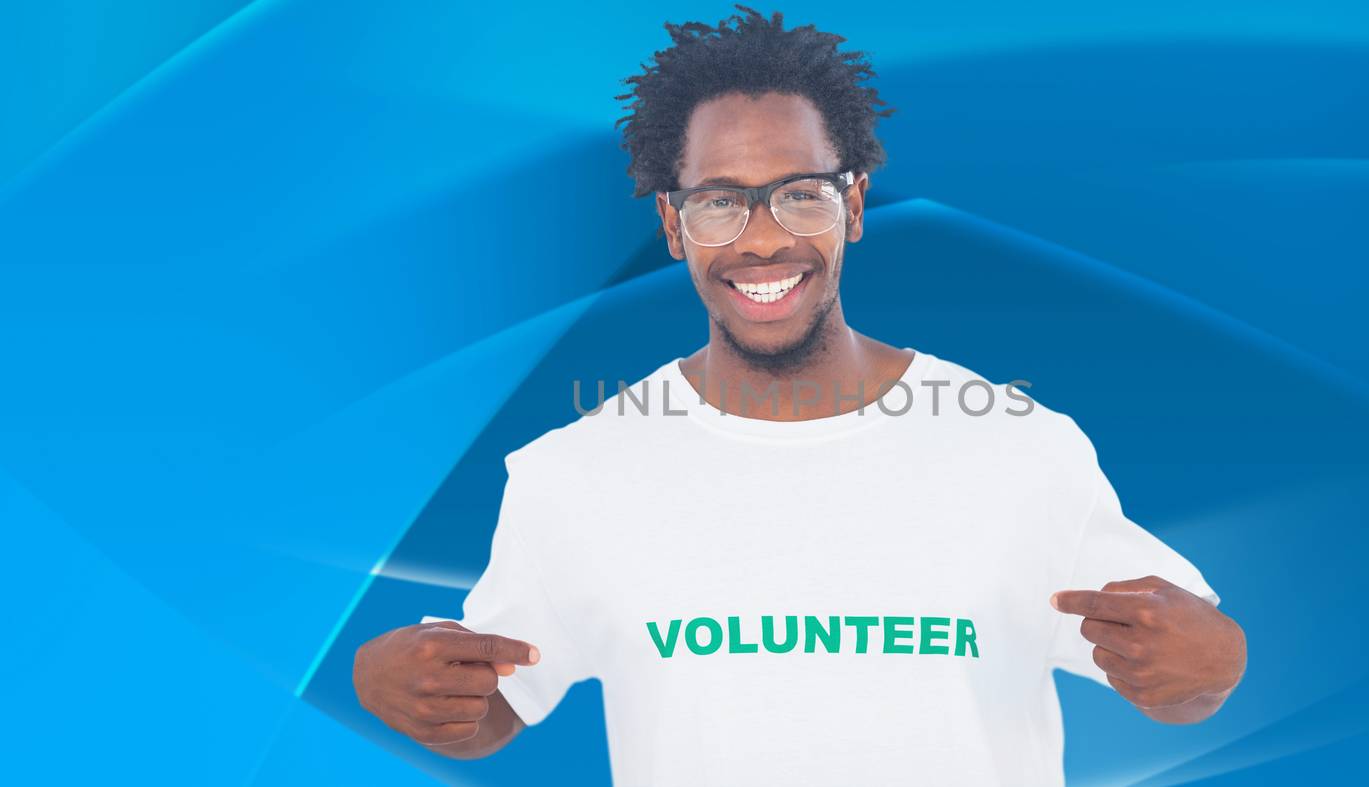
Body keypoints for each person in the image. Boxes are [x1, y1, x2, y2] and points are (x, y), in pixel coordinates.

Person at [352, 6, 1246, 785]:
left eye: (801, 195)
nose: (764, 240)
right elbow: (492, 706)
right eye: (719, 204)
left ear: (854, 206)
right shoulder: (573, 475)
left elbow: (1178, 677)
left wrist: (1217, 663)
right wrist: (393, 683)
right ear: (672, 225)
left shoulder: (1023, 448)